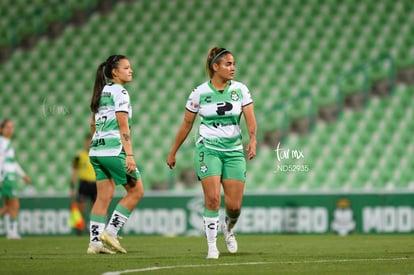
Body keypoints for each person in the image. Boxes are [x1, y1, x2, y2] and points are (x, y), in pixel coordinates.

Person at [166, 47, 257, 259]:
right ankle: (212, 246)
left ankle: (228, 227)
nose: (233, 68)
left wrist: (252, 139)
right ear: (215, 67)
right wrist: (173, 152)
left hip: (234, 151)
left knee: (234, 207)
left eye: (234, 63)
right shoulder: (199, 93)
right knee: (213, 198)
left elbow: (251, 119)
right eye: (228, 64)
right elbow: (187, 124)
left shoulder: (241, 90)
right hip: (208, 149)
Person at [87, 54, 144, 254]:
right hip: (113, 149)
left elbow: (93, 124)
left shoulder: (101, 92)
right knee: (136, 191)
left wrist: (98, 144)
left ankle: (94, 244)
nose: (131, 70)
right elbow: (123, 126)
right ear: (114, 72)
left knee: (103, 197)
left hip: (96, 150)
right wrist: (129, 155)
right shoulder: (120, 92)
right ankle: (110, 232)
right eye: (126, 68)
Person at [0, 119, 32, 239]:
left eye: (11, 127)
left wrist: (23, 175)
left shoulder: (7, 142)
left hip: (10, 176)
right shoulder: (2, 143)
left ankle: (11, 231)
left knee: (8, 206)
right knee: (14, 204)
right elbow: (0, 161)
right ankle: (12, 232)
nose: (10, 129)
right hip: (7, 177)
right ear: (1, 130)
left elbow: (12, 162)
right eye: (7, 127)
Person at [70, 133, 97, 235]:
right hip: (84, 184)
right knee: (81, 207)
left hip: (95, 184)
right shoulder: (80, 156)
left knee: (95, 208)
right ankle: (79, 228)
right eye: (88, 141)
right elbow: (74, 170)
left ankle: (94, 228)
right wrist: (72, 187)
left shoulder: (97, 154)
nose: (89, 143)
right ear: (85, 142)